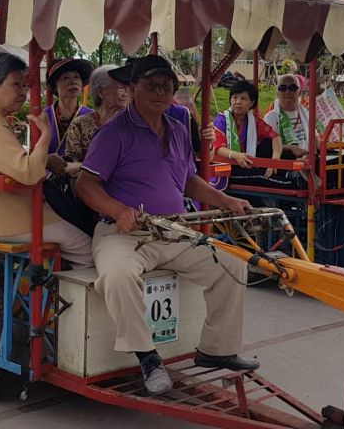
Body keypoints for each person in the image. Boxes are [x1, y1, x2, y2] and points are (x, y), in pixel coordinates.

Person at [75, 55, 258, 396]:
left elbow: (189, 181)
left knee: (232, 265)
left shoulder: (176, 129)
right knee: (117, 276)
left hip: (173, 231)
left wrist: (228, 201)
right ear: (132, 89)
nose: (159, 93)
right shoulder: (114, 133)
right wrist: (118, 210)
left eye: (166, 87)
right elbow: (84, 184)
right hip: (123, 234)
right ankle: (147, 358)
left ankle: (215, 350)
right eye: (150, 86)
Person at [0, 52, 93, 269]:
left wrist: (45, 159)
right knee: (86, 249)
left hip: (14, 212)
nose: (23, 92)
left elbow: (21, 165)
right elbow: (30, 173)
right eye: (17, 85)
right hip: (12, 219)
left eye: (24, 86)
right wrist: (45, 136)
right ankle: (74, 302)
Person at [264, 74, 344, 191]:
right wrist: (291, 148)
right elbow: (267, 147)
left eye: (292, 88)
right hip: (290, 163)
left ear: (299, 92)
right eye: (283, 88)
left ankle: (343, 203)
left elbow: (316, 140)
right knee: (293, 158)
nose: (287, 92)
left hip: (311, 160)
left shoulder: (306, 113)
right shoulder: (271, 117)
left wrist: (327, 145)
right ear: (277, 92)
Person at [213, 81, 293, 188]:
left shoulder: (252, 121)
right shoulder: (221, 120)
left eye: (243, 99)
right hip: (228, 168)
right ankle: (294, 182)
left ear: (252, 102)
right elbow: (218, 147)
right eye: (234, 98)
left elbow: (275, 136)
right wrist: (236, 155)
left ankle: (291, 175)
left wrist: (275, 161)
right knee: (259, 177)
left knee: (277, 149)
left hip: (247, 162)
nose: (237, 102)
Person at [64, 64, 129, 168]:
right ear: (101, 92)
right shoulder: (80, 124)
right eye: (121, 88)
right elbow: (71, 164)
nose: (126, 93)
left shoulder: (133, 123)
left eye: (128, 88)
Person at [43, 58, 94, 176]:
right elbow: (33, 153)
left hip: (80, 181)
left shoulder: (92, 117)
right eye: (65, 78)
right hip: (47, 184)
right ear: (55, 86)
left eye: (77, 77)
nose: (73, 82)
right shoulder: (44, 116)